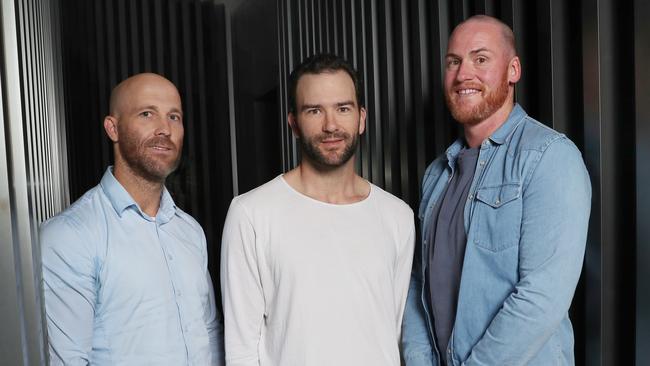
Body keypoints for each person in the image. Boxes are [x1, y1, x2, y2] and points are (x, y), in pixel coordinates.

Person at [401, 15, 591, 366]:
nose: (463, 74)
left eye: (481, 59)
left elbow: (542, 297)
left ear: (513, 70)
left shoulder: (549, 157)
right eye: (453, 62)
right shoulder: (436, 174)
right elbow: (418, 283)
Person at [220, 53, 415, 366]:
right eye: (314, 110)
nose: (331, 125)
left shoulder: (398, 216)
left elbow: (391, 333)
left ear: (361, 118)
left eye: (343, 108)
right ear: (294, 123)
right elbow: (241, 349)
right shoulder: (251, 213)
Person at [40, 73, 224, 365]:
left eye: (174, 117)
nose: (164, 128)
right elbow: (68, 360)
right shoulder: (69, 234)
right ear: (113, 128)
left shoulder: (190, 231)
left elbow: (209, 333)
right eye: (147, 114)